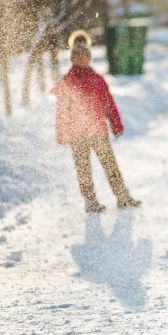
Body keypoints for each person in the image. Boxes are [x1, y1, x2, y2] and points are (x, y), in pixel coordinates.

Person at [52, 33, 140, 213]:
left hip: (98, 132)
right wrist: (61, 133)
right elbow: (62, 111)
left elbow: (109, 104)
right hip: (78, 135)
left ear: (90, 57)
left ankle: (123, 197)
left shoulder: (98, 80)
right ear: (73, 58)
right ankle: (91, 202)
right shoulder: (67, 82)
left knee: (110, 166)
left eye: (85, 55)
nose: (82, 58)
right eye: (78, 55)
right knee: (84, 171)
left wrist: (116, 124)